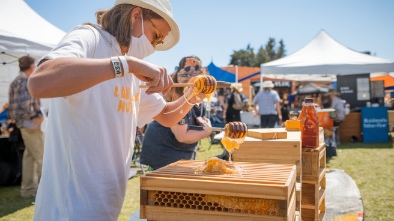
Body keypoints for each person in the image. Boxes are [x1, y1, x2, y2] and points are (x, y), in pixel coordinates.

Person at [27, 1, 208, 220]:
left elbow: (166, 115)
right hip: (69, 208)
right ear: (136, 16)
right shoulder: (91, 37)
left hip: (105, 204)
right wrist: (125, 65)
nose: (155, 44)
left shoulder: (132, 66)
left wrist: (192, 97)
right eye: (156, 34)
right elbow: (39, 81)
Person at [140, 56, 213, 170]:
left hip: (182, 153)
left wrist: (203, 124)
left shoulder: (198, 98)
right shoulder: (175, 98)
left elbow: (200, 119)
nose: (191, 77)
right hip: (164, 154)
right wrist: (208, 131)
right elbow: (182, 136)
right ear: (179, 74)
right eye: (187, 72)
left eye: (196, 72)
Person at [7, 56, 44, 198]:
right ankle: (46, 192)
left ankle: (28, 190)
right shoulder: (25, 80)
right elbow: (25, 103)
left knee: (29, 156)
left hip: (23, 123)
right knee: (41, 156)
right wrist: (36, 116)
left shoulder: (15, 81)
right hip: (31, 123)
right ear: (31, 66)